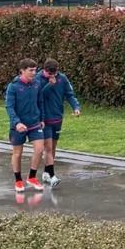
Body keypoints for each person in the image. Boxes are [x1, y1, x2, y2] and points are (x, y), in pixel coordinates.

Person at [5, 58, 46, 193]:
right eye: (31, 70)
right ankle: (18, 180)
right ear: (22, 71)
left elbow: (40, 102)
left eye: (35, 70)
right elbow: (9, 107)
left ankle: (32, 177)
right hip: (18, 126)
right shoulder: (13, 86)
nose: (34, 73)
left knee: (40, 149)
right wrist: (17, 123)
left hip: (35, 123)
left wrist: (42, 118)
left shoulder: (36, 84)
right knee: (17, 153)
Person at [40, 58, 81, 188]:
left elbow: (69, 94)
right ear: (44, 70)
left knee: (53, 147)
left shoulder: (62, 78)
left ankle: (47, 171)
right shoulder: (38, 79)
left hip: (57, 117)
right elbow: (39, 96)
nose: (52, 76)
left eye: (54, 73)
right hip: (44, 118)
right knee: (48, 148)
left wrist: (76, 107)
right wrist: (49, 84)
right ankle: (52, 176)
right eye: (49, 73)